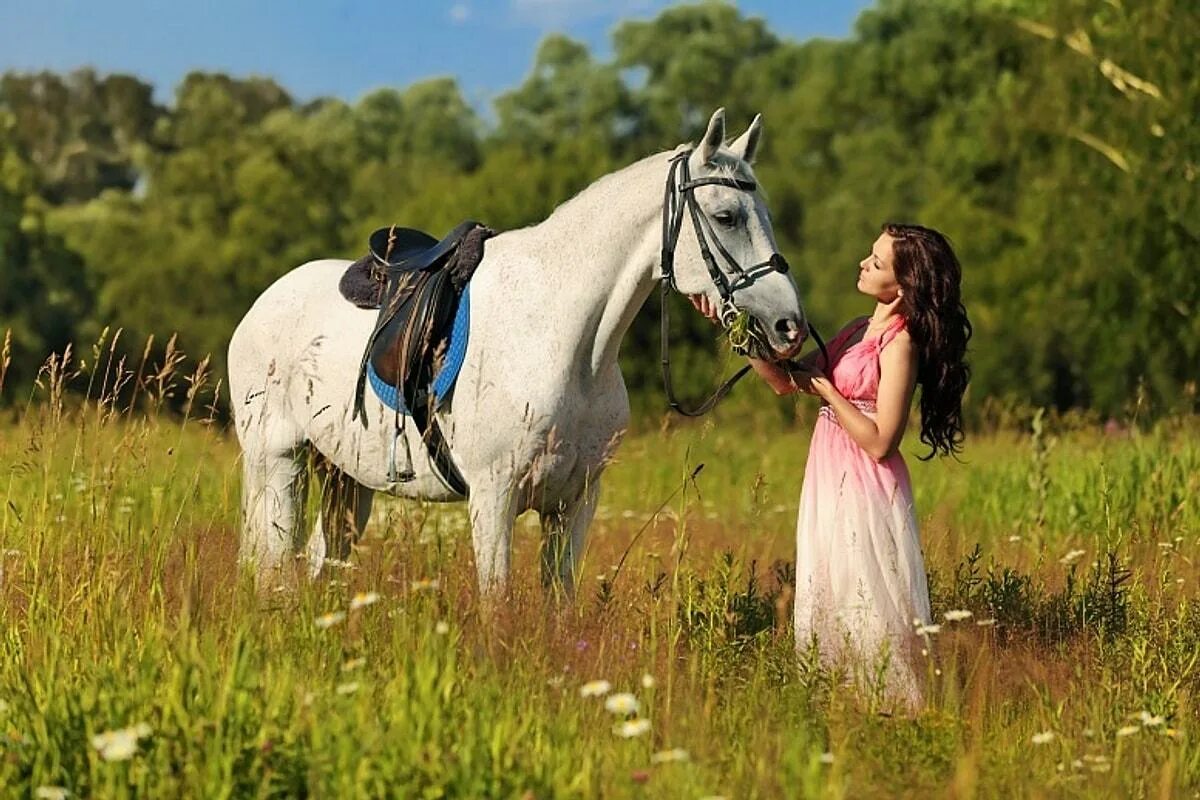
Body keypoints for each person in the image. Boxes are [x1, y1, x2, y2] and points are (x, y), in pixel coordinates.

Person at [692, 223, 972, 709]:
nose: (864, 263)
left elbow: (883, 440)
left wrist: (826, 391)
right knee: (828, 580)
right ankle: (836, 699)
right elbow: (785, 382)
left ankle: (889, 705)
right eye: (871, 255)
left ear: (903, 286)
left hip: (865, 480)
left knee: (863, 588)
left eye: (877, 262)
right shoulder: (857, 330)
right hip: (829, 475)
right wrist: (733, 325)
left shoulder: (900, 344)